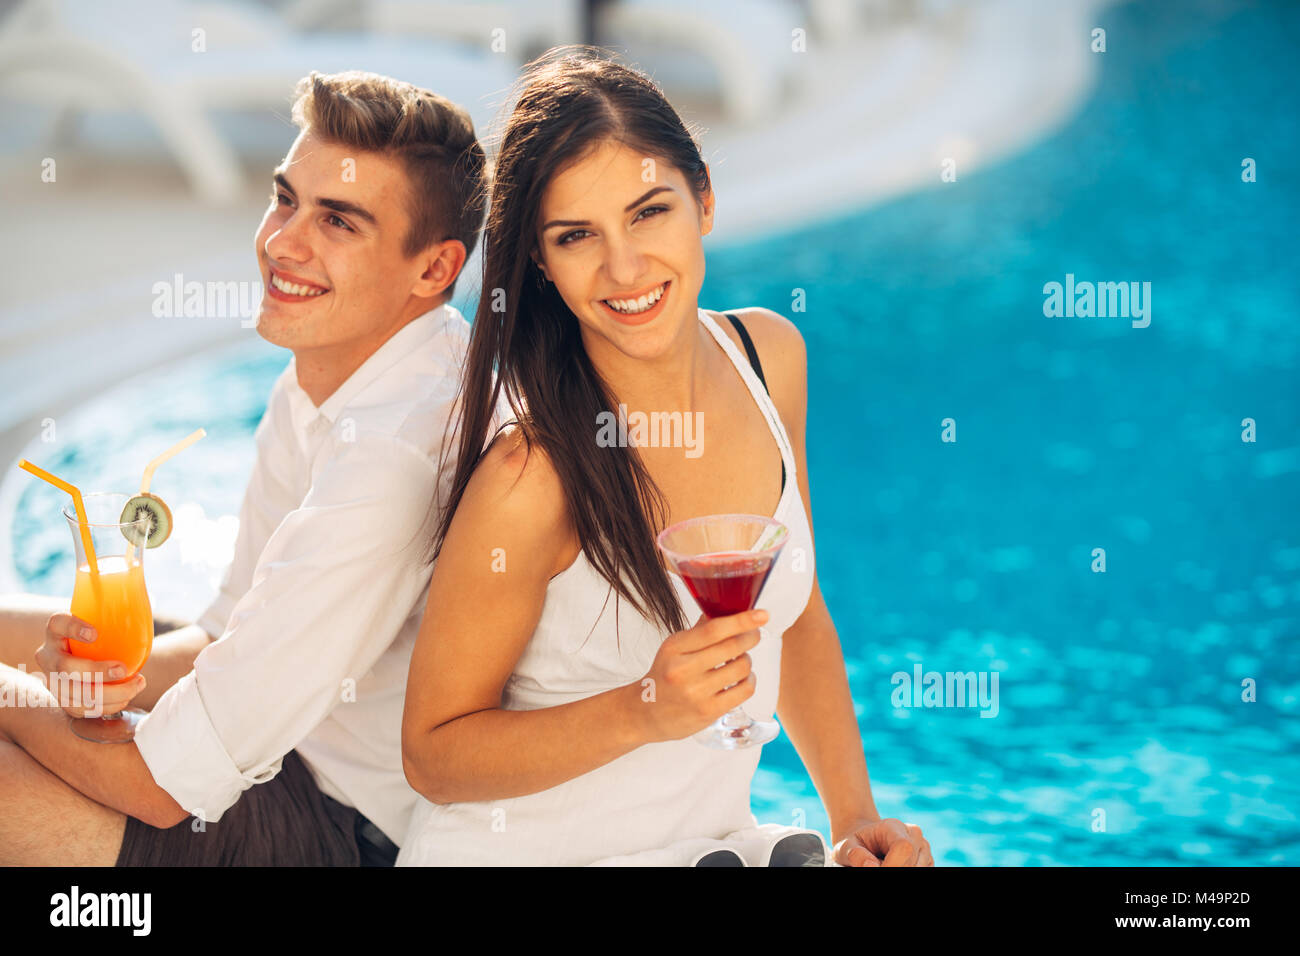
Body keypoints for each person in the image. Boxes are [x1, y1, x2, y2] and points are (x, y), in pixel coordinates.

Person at [397, 49, 934, 867]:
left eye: (650, 212)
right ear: (541, 262)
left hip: (704, 850)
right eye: (577, 236)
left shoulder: (768, 358)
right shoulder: (532, 476)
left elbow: (798, 615)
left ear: (705, 198)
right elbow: (432, 756)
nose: (624, 268)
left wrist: (855, 818)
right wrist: (643, 708)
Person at [0, 70, 486, 866]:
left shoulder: (392, 457)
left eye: (339, 221)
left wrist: (9, 699)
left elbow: (163, 785)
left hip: (347, 828)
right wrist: (80, 685)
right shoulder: (329, 367)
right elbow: (220, 636)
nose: (283, 242)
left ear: (433, 270)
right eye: (285, 198)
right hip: (278, 742)